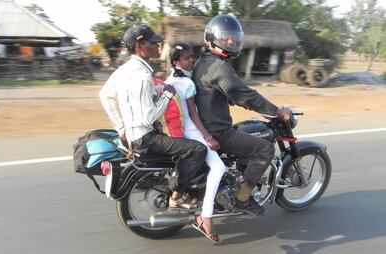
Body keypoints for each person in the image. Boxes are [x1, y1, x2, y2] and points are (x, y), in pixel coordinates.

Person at [99, 25, 207, 209]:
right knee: (197, 150)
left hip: (134, 135)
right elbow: (149, 116)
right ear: (140, 45)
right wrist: (167, 95)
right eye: (154, 43)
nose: (158, 46)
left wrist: (121, 128)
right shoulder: (142, 75)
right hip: (145, 138)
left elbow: (105, 95)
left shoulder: (124, 69)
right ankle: (177, 196)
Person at [193, 15, 289, 216]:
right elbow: (244, 94)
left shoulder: (203, 61)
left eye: (232, 38)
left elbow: (224, 91)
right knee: (264, 149)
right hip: (217, 131)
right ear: (211, 38)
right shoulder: (219, 67)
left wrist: (236, 98)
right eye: (225, 38)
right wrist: (276, 111)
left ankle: (234, 182)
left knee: (245, 134)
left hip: (202, 125)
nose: (230, 41)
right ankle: (242, 198)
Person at [164, 42, 226, 242]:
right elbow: (193, 114)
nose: (191, 61)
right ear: (176, 62)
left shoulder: (170, 79)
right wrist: (207, 137)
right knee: (219, 167)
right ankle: (206, 216)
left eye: (192, 57)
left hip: (177, 131)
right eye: (186, 58)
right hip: (192, 131)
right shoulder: (188, 84)